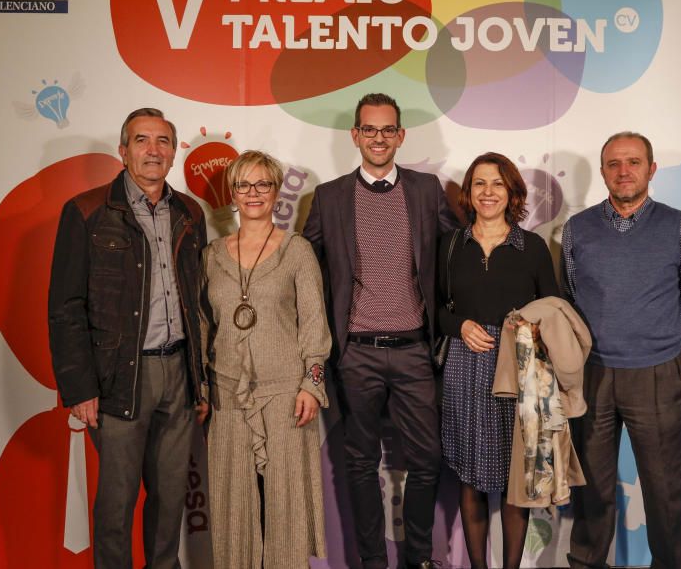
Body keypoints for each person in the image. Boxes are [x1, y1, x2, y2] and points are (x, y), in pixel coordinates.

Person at [48, 107, 209, 569]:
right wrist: (79, 388)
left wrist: (199, 381)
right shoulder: (86, 212)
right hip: (119, 377)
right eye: (142, 140)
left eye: (162, 141)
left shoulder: (189, 213)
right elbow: (65, 307)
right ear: (123, 151)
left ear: (174, 152)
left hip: (178, 374)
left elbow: (196, 302)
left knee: (170, 500)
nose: (153, 150)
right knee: (116, 505)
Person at [302, 93, 458, 569]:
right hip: (356, 353)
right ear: (355, 135)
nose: (378, 138)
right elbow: (304, 264)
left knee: (428, 461)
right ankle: (372, 560)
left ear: (400, 136)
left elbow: (457, 252)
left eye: (387, 129)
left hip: (414, 348)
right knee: (360, 462)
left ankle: (416, 558)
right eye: (369, 130)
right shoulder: (328, 197)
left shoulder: (427, 189)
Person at [563, 132, 681, 569]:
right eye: (613, 163)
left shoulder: (678, 225)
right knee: (592, 489)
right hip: (592, 375)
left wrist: (655, 332)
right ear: (604, 170)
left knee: (665, 491)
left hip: (657, 373)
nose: (623, 171)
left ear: (651, 169)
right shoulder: (578, 228)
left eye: (633, 162)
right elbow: (571, 296)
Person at [200, 150, 330, 568]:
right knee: (232, 506)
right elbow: (203, 326)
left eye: (263, 185)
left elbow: (314, 325)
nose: (253, 193)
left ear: (276, 193)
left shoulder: (297, 251)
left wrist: (312, 383)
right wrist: (201, 388)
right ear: (232, 195)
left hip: (287, 395)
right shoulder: (211, 255)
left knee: (285, 507)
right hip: (226, 397)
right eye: (243, 185)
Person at [438, 152, 560, 569]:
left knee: (516, 477)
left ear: (512, 193)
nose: (488, 192)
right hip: (465, 366)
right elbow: (434, 309)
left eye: (497, 184)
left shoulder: (533, 247)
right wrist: (459, 326)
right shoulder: (450, 244)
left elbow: (554, 309)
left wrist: (527, 330)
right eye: (479, 184)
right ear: (469, 193)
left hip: (520, 369)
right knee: (470, 478)